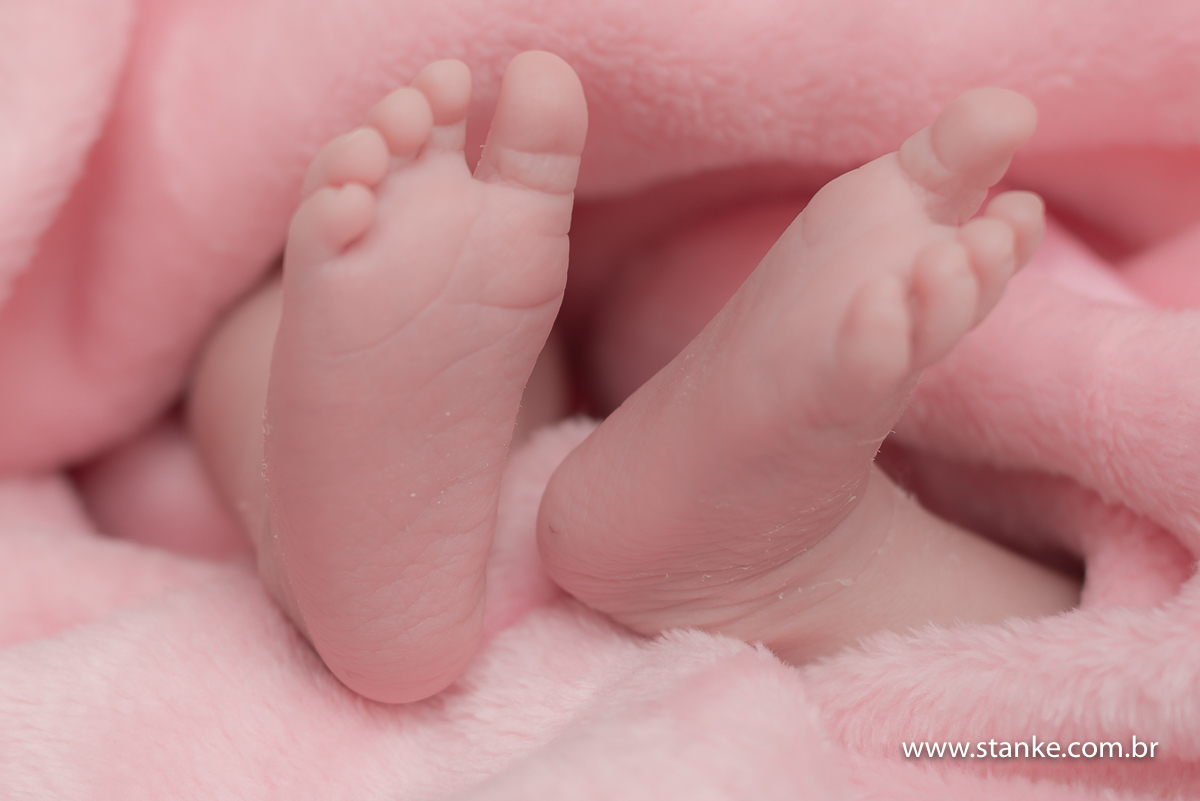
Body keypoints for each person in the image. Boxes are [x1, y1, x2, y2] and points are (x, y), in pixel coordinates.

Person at [188, 51, 1079, 704]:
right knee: (1079, 655)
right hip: (788, 239)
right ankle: (826, 558)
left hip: (778, 264)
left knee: (294, 309)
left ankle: (314, 530)